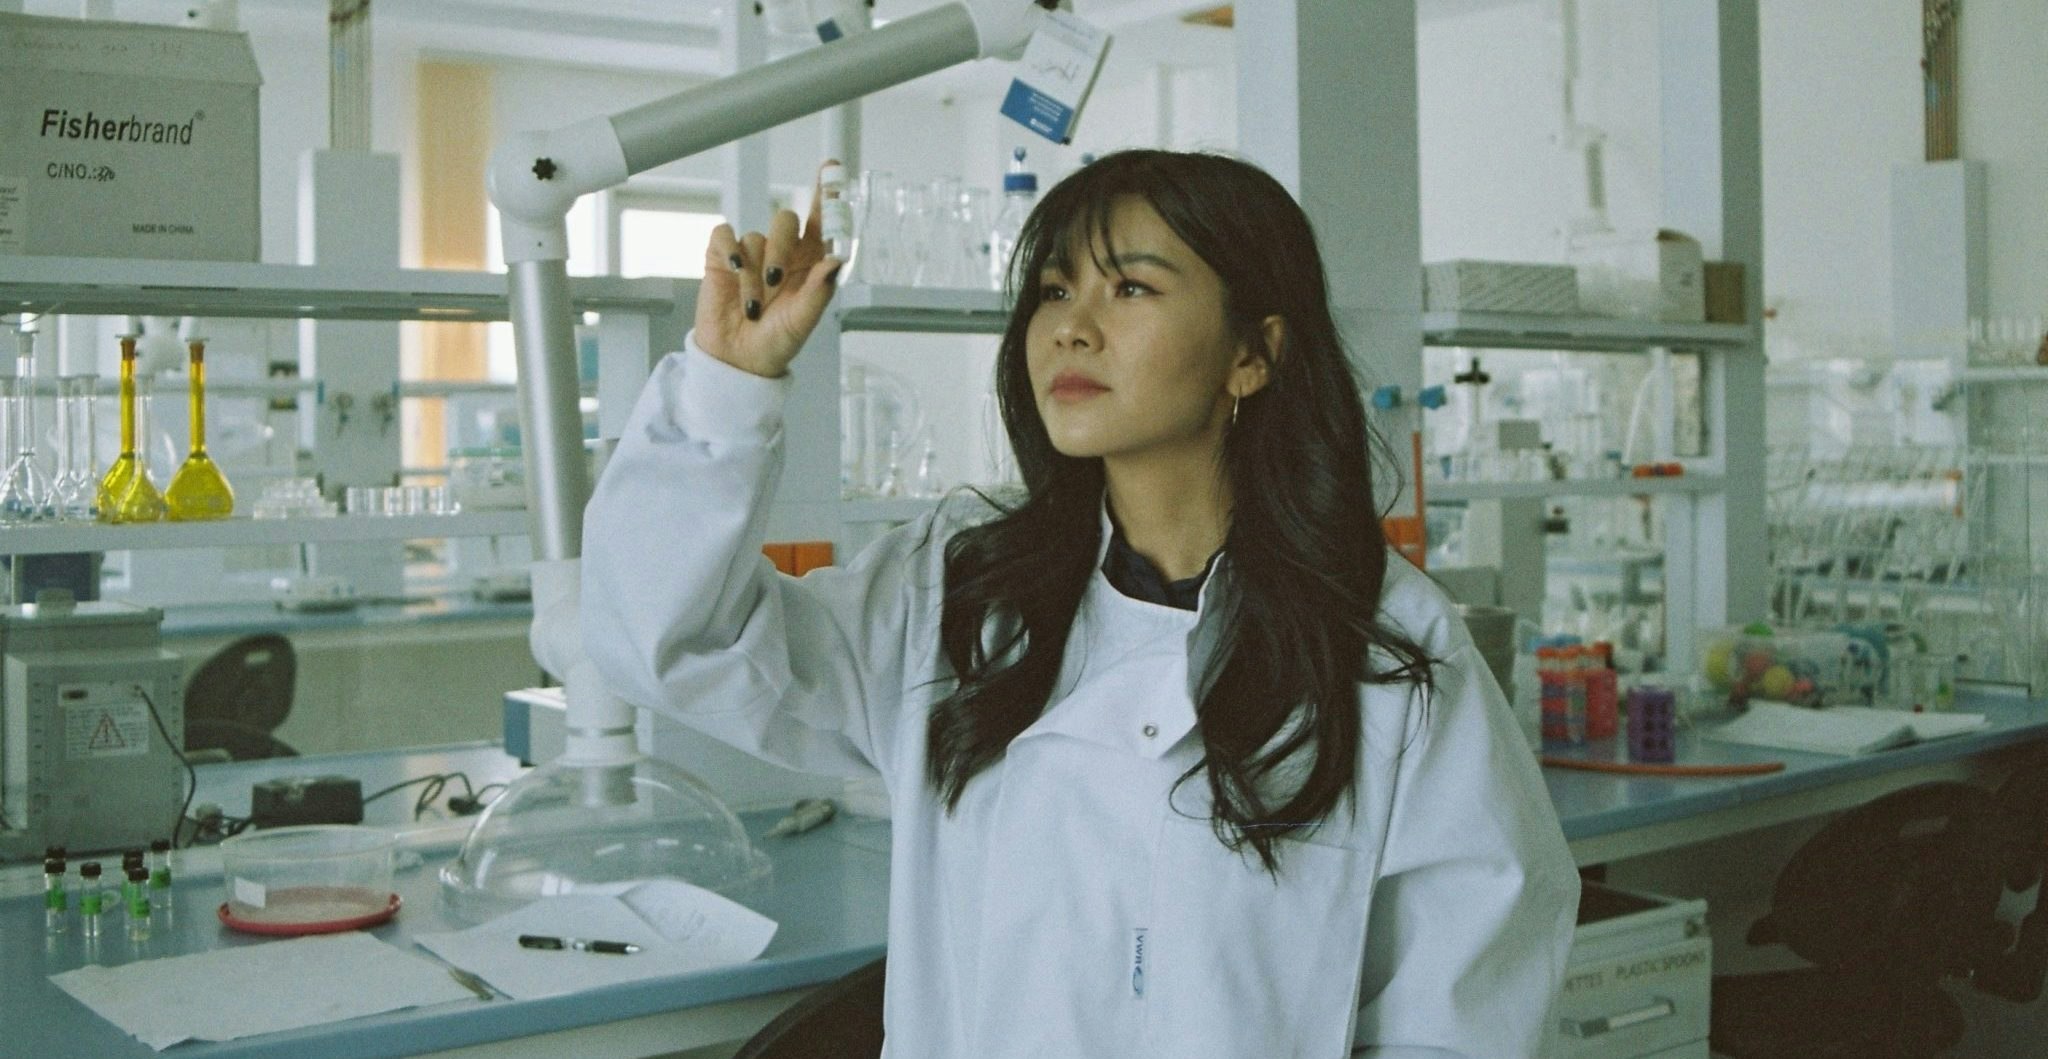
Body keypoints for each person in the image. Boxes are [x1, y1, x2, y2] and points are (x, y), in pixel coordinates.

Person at [582, 149, 1579, 1058]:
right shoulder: (958, 598)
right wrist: (726, 387)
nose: (1069, 322)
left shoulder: (1385, 646)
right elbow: (669, 642)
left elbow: (1461, 1012)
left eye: (1130, 287)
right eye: (1053, 287)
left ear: (1252, 353)